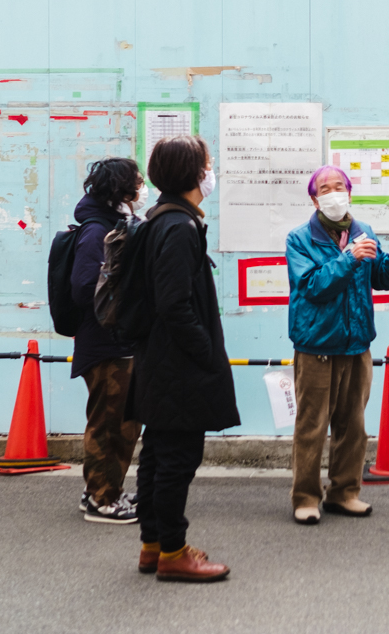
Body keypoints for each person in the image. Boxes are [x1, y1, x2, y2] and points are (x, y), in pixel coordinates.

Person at [285, 166, 389, 525]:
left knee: (353, 425)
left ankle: (345, 492)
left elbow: (382, 277)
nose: (333, 194)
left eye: (339, 187)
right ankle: (305, 497)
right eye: (324, 189)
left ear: (349, 192)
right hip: (316, 344)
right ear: (314, 198)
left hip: (357, 344)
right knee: (312, 425)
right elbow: (313, 286)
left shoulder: (363, 231)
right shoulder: (299, 239)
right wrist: (347, 259)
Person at [131, 135, 239, 582]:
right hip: (178, 365)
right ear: (193, 174)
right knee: (177, 459)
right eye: (207, 164)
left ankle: (153, 545)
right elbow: (174, 304)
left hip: (158, 360)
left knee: (157, 453)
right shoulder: (178, 227)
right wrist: (205, 353)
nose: (211, 171)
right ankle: (174, 552)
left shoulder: (162, 218)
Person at [70, 157, 144, 524]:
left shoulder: (113, 224)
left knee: (122, 422)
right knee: (110, 424)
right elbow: (85, 287)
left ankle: (101, 490)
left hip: (115, 342)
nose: (143, 188)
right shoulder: (96, 231)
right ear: (123, 189)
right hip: (105, 345)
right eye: (138, 182)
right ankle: (102, 499)